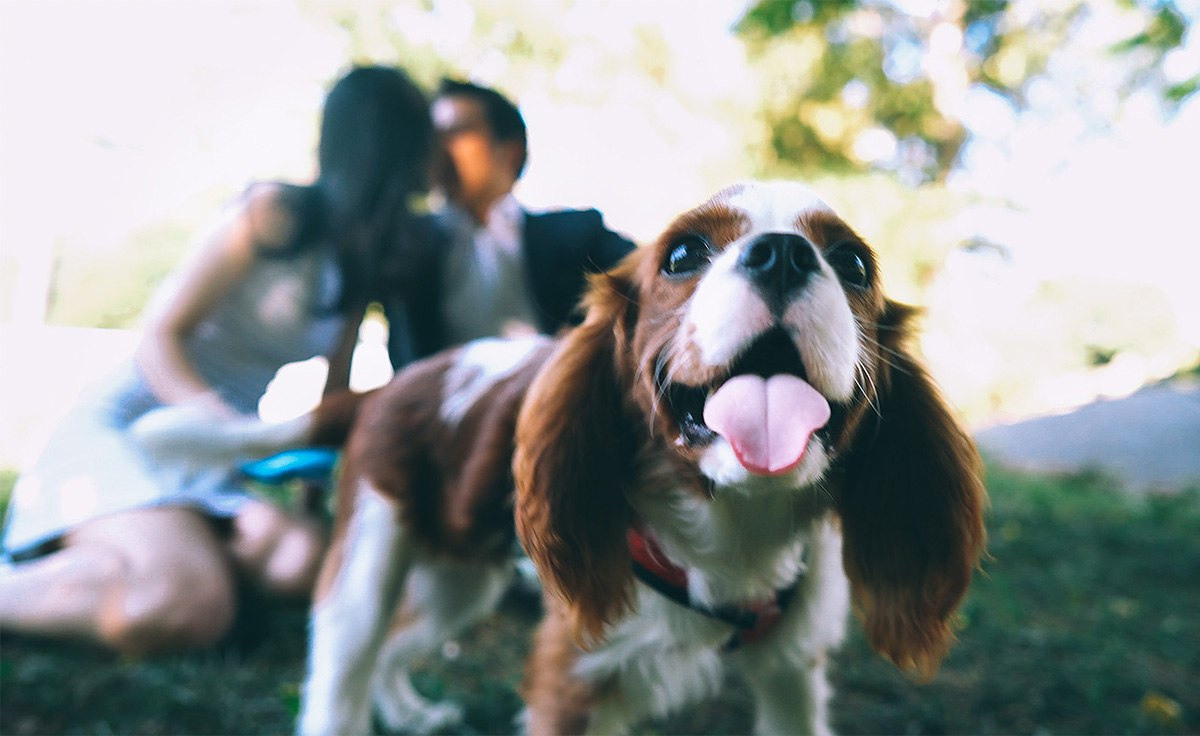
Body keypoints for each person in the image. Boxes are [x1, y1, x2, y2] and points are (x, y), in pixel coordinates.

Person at [0, 65, 434, 656]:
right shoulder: (270, 213)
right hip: (136, 428)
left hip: (212, 458)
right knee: (188, 605)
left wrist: (311, 492)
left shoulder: (364, 260)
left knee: (300, 561)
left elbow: (334, 385)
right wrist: (224, 428)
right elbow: (160, 337)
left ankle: (127, 550)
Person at [383, 78, 636, 368]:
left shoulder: (578, 236)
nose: (437, 150)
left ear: (510, 150)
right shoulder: (403, 245)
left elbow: (647, 278)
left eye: (455, 132)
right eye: (433, 136)